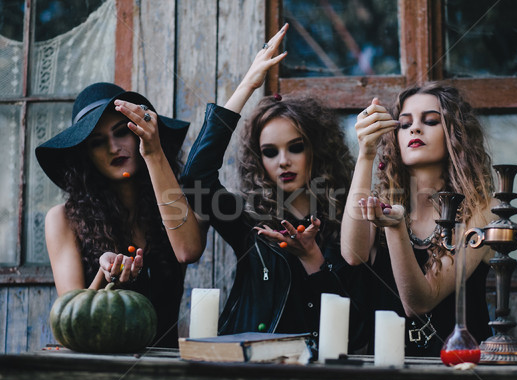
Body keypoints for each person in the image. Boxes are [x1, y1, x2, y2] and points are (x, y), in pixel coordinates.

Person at [182, 24, 367, 351]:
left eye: (295, 147)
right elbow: (196, 177)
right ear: (259, 160)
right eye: (270, 151)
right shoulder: (249, 222)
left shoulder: (346, 222)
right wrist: (248, 85)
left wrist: (312, 260)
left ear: (316, 150)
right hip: (252, 369)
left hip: (324, 374)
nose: (283, 161)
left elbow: (355, 324)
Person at [36, 82, 205, 348]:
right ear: (86, 156)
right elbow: (72, 324)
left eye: (121, 132)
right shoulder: (62, 219)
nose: (114, 147)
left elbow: (188, 251)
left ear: (139, 134)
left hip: (167, 371)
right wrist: (105, 275)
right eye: (97, 142)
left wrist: (154, 152)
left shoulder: (175, 201)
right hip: (97, 374)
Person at [341, 83, 495, 356]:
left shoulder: (482, 208)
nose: (414, 129)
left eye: (431, 121)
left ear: (456, 134)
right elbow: (353, 255)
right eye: (404, 124)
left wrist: (395, 228)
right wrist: (366, 153)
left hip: (460, 371)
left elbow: (421, 302)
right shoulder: (382, 203)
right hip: (388, 372)